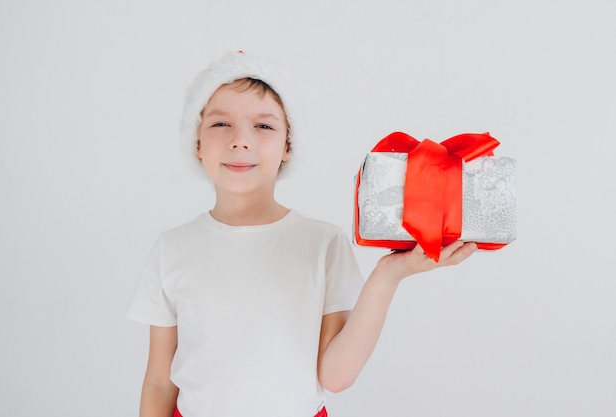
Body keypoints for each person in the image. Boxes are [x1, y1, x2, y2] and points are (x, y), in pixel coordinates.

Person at [127, 50, 477, 417]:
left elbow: (336, 376)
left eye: (263, 126)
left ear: (288, 146)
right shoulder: (172, 248)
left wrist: (388, 276)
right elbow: (159, 382)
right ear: (196, 142)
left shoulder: (322, 244)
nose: (241, 140)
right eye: (220, 124)